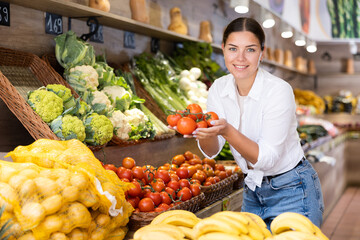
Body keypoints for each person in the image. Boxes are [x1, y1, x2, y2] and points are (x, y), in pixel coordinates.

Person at [192, 17, 324, 228]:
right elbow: (212, 150)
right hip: (253, 191)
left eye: (250, 50)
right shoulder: (219, 88)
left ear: (262, 53)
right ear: (223, 49)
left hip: (293, 190)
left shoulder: (278, 90)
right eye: (233, 48)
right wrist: (204, 133)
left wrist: (226, 130)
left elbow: (267, 158)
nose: (241, 58)